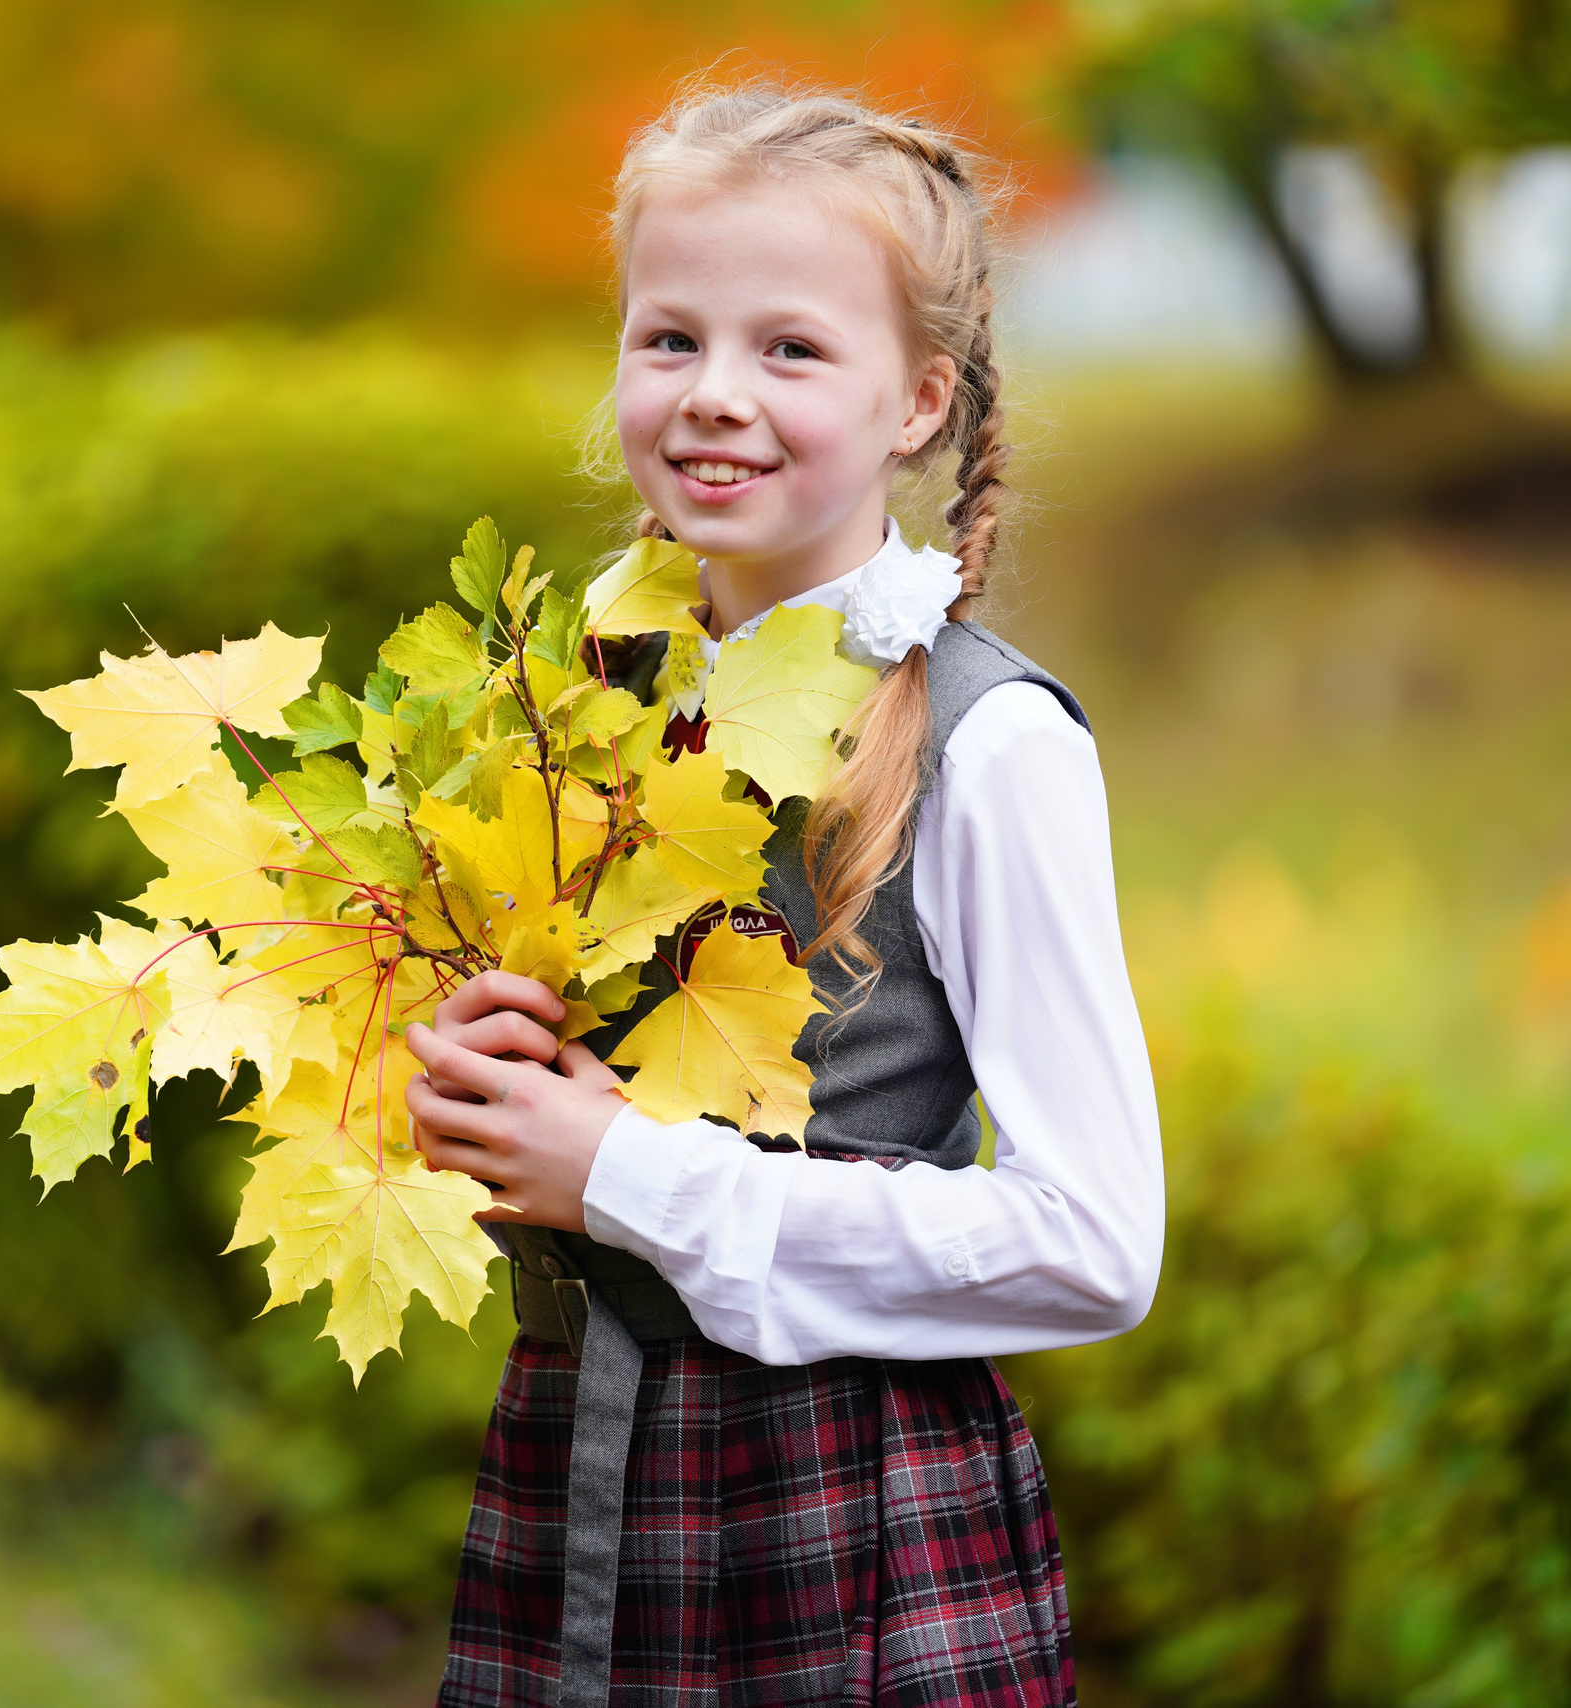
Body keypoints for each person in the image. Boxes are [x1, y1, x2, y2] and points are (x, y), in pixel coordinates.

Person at [401, 82, 1164, 1708]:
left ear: (918, 401)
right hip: (584, 1457)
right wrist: (482, 1078)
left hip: (847, 1504)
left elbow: (1096, 1244)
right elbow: (567, 1112)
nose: (713, 397)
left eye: (791, 350)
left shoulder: (986, 742)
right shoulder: (579, 703)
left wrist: (631, 1175)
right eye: (668, 337)